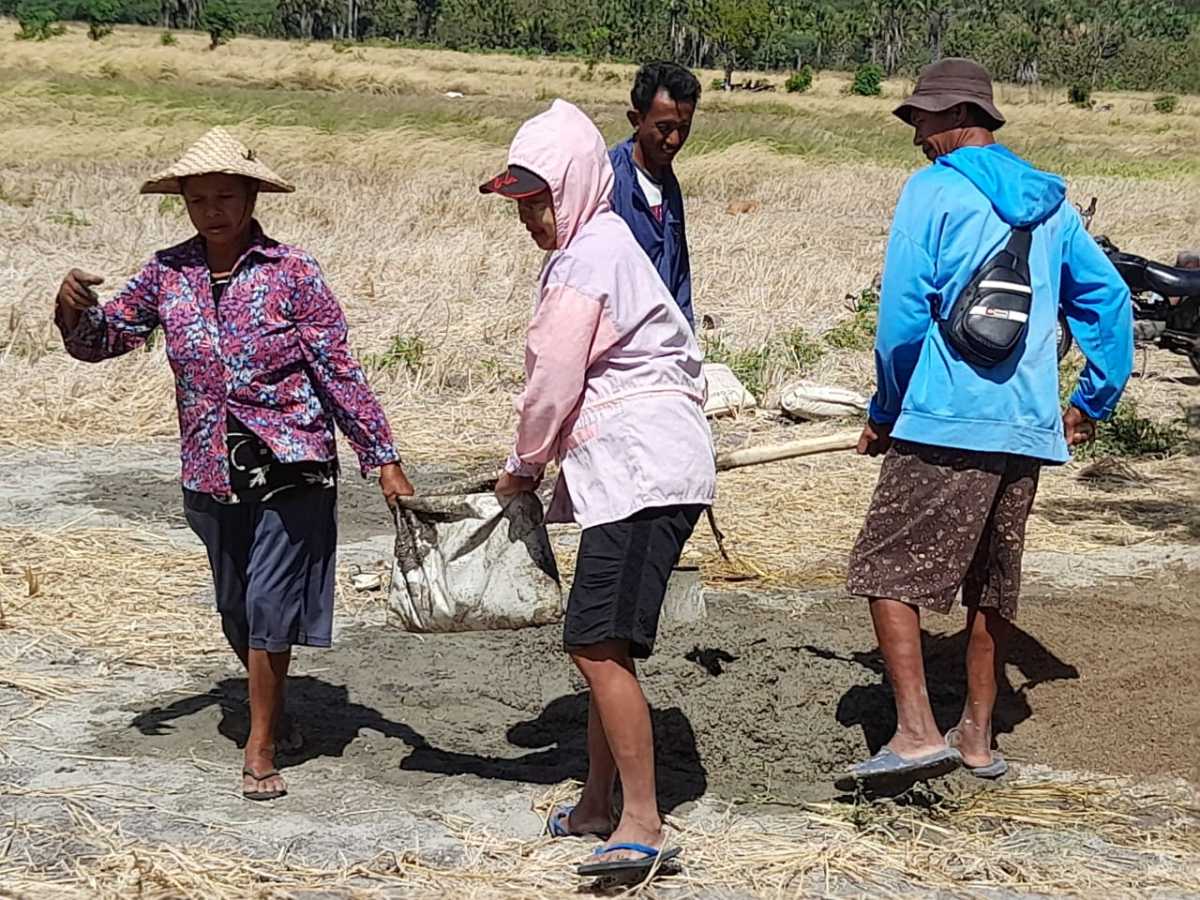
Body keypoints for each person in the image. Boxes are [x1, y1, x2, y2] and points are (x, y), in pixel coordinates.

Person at [54, 127, 414, 802]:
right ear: (184, 204)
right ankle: (275, 716)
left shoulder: (293, 272)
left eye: (226, 195)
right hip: (209, 468)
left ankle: (259, 747)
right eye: (199, 199)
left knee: (270, 604)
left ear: (251, 197)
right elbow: (103, 342)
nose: (213, 209)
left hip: (293, 461)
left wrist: (381, 456)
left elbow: (337, 370)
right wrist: (70, 309)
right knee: (236, 610)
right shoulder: (168, 275)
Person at [839, 59, 1133, 790]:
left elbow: (903, 319)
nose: (917, 138)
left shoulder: (932, 191)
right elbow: (1110, 304)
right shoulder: (1052, 205)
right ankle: (976, 736)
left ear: (957, 116)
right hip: (1027, 428)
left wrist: (886, 411)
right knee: (991, 585)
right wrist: (1091, 400)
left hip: (945, 421)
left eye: (923, 122)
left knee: (884, 567)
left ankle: (912, 733)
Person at [481, 99, 715, 877]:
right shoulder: (604, 243)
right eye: (521, 205)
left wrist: (522, 466)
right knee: (602, 642)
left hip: (644, 473)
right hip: (642, 473)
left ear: (577, 185)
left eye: (539, 200)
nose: (531, 218)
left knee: (592, 645)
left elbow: (552, 378)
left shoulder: (586, 259)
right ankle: (593, 803)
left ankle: (642, 822)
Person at [609, 61, 701, 328]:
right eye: (664, 128)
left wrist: (686, 342)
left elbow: (679, 276)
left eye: (684, 128)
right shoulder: (608, 181)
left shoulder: (669, 185)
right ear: (636, 120)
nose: (674, 140)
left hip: (663, 343)